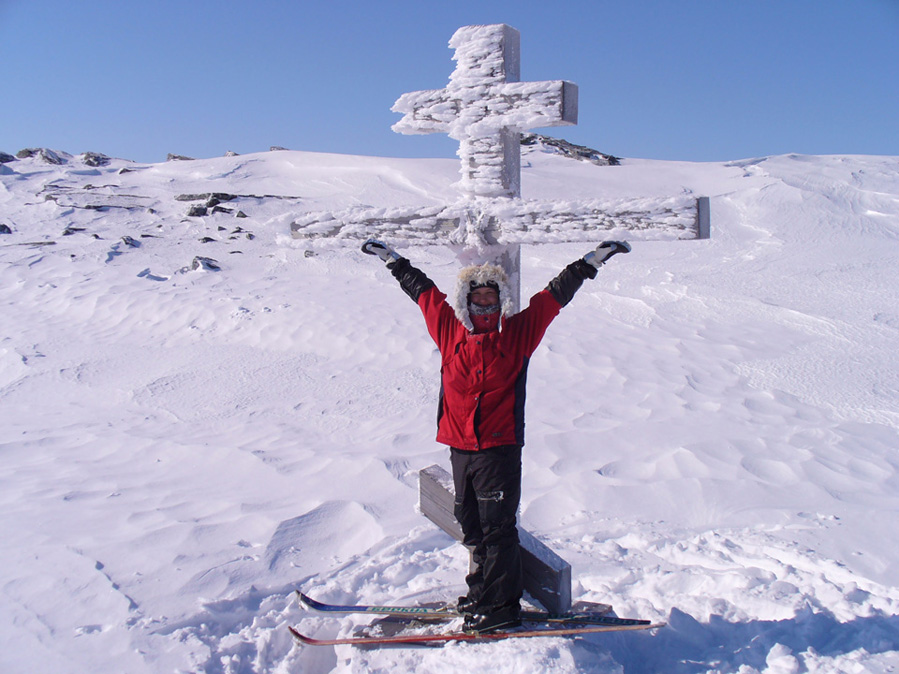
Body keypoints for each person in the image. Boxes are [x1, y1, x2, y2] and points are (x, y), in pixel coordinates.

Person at [362, 238, 631, 633]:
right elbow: (423, 293)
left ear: (501, 302)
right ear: (467, 303)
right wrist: (392, 260)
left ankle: (502, 606)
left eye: (492, 301)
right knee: (470, 524)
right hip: (460, 445)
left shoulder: (517, 335)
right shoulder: (449, 330)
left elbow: (553, 298)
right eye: (478, 301)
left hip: (499, 448)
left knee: (497, 529)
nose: (485, 308)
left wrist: (591, 261)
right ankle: (481, 591)